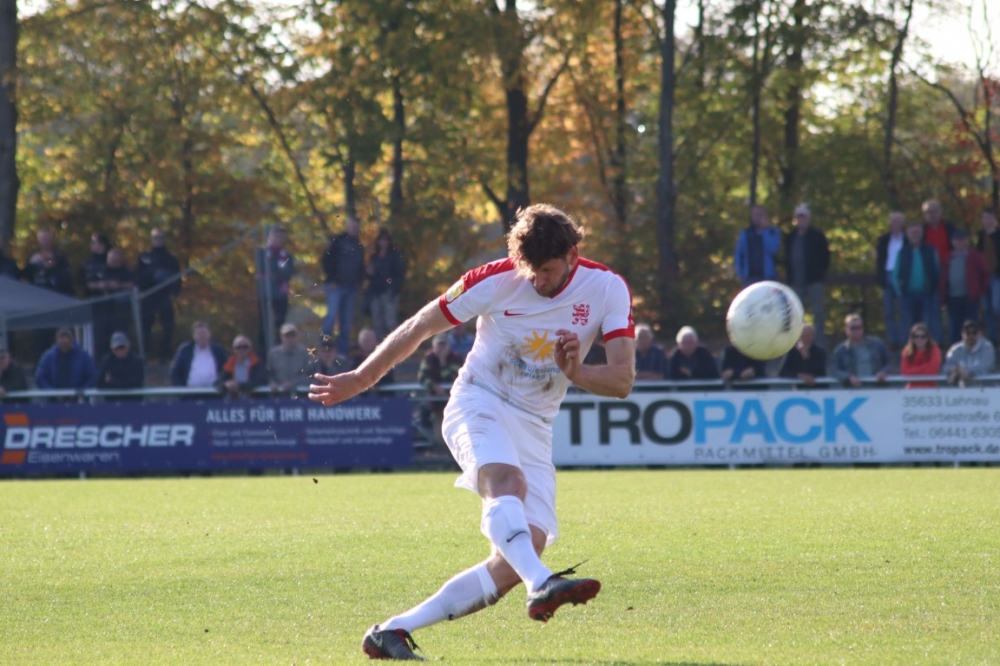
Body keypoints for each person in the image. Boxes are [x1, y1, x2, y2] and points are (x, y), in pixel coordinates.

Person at [308, 203, 635, 661]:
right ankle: (541, 582)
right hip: (480, 400)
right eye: (530, 270)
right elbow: (420, 326)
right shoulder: (495, 279)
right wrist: (362, 378)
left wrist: (577, 372)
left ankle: (392, 631)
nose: (537, 280)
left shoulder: (607, 287)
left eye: (547, 270)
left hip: (536, 425)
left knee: (520, 554)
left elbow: (621, 380)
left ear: (573, 256)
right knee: (508, 484)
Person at [23, 229, 75, 358]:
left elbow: (64, 275)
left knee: (57, 335)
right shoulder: (33, 258)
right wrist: (32, 264)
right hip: (39, 306)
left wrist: (49, 262)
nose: (45, 242)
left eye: (47, 238)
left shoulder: (60, 257)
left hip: (58, 305)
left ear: (51, 240)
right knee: (40, 338)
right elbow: (25, 276)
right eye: (42, 239)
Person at [783, 204, 830, 346]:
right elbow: (786, 258)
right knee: (795, 315)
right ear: (795, 219)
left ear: (808, 218)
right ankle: (796, 345)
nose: (801, 220)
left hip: (814, 281)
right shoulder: (790, 237)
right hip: (795, 282)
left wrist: (820, 273)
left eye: (804, 217)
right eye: (799, 217)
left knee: (818, 314)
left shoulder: (818, 236)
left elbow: (825, 258)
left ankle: (819, 345)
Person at [322, 216, 366, 357]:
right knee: (332, 315)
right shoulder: (337, 241)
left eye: (356, 226)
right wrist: (331, 279)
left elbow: (360, 266)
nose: (354, 229)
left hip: (351, 288)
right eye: (352, 226)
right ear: (347, 226)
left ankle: (342, 352)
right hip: (335, 286)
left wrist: (360, 282)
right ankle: (325, 345)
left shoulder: (359, 246)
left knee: (346, 321)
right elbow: (326, 260)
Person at [137, 228, 182, 363]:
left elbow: (177, 279)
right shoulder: (144, 257)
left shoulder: (171, 259)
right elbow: (137, 277)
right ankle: (144, 355)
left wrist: (173, 293)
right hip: (148, 297)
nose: (158, 240)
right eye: (156, 238)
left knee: (168, 326)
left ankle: (165, 355)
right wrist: (152, 276)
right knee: (145, 327)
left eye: (161, 237)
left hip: (164, 297)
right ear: (152, 240)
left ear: (165, 240)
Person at [892, 219, 942, 343]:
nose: (915, 235)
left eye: (917, 232)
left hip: (927, 293)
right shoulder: (902, 252)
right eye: (912, 233)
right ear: (908, 235)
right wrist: (899, 293)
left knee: (928, 323)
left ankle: (931, 347)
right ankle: (907, 348)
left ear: (921, 234)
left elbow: (937, 270)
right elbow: (895, 275)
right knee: (907, 324)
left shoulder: (930, 250)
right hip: (907, 294)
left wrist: (934, 287)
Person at [939, 230, 990, 346]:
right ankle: (955, 350)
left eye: (962, 240)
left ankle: (974, 348)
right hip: (952, 297)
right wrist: (942, 297)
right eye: (957, 240)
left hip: (970, 297)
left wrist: (980, 290)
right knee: (954, 326)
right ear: (952, 242)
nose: (960, 243)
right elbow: (942, 278)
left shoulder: (975, 256)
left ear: (967, 241)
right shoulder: (947, 258)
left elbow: (985, 274)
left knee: (972, 325)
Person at [417, 333, 464, 446]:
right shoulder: (428, 359)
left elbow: (454, 377)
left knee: (458, 434)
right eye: (439, 345)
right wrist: (434, 386)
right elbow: (422, 377)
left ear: (449, 346)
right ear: (434, 346)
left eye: (444, 345)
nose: (442, 348)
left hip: (456, 404)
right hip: (436, 405)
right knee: (439, 437)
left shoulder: (457, 358)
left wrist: (442, 362)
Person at [256, 225, 296, 352]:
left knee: (281, 324)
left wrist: (273, 274)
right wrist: (275, 273)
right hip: (265, 294)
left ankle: (280, 350)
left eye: (282, 236)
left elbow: (288, 273)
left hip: (281, 295)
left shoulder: (286, 256)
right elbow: (262, 269)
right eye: (277, 236)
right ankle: (263, 353)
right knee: (264, 325)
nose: (279, 239)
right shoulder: (262, 253)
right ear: (270, 237)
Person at [90, 247, 135, 351]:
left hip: (120, 310)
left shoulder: (127, 271)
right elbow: (89, 284)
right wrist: (101, 285)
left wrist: (118, 285)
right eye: (111, 259)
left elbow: (133, 284)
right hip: (102, 308)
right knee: (101, 334)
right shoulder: (101, 270)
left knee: (120, 333)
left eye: (116, 259)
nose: (114, 261)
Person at [365, 228, 406, 341]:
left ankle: (396, 345)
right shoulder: (374, 257)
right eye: (381, 240)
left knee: (390, 322)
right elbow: (370, 276)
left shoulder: (394, 256)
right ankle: (380, 347)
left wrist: (393, 290)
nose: (383, 242)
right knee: (378, 323)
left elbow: (400, 275)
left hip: (389, 294)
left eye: (385, 240)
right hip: (376, 293)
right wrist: (368, 273)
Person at [830, 314, 890, 387]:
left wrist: (883, 372)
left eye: (859, 327)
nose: (856, 330)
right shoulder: (840, 350)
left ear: (863, 328)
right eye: (853, 328)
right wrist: (848, 377)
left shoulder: (877, 344)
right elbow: (834, 370)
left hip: (878, 387)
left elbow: (888, 364)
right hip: (854, 390)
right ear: (846, 329)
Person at [876, 211, 907, 349]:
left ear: (903, 223)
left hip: (901, 277)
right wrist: (880, 277)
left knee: (903, 310)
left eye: (898, 221)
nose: (895, 224)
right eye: (893, 221)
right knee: (888, 311)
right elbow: (879, 260)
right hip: (887, 274)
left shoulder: (906, 240)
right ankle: (892, 341)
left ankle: (904, 340)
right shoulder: (883, 240)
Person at [169, 321, 229, 388]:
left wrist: (222, 385)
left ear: (209, 334)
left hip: (214, 392)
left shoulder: (218, 350)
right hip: (190, 392)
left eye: (204, 333)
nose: (202, 336)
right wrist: (181, 390)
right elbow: (174, 373)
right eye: (199, 334)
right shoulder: (185, 350)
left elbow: (227, 370)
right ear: (194, 336)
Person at [734, 204, 782, 286]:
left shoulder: (773, 232)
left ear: (765, 216)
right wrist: (740, 273)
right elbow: (738, 254)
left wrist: (766, 231)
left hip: (768, 277)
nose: (758, 218)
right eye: (755, 215)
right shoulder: (745, 234)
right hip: (749, 278)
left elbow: (773, 250)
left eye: (760, 215)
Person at [943, 320, 995, 387]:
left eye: (974, 333)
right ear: (962, 334)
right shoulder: (955, 350)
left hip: (986, 388)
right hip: (963, 390)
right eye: (968, 333)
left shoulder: (987, 348)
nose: (971, 336)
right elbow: (946, 368)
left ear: (979, 334)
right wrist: (957, 369)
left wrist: (964, 371)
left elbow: (983, 368)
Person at [976, 208, 1000, 343]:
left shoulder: (998, 235)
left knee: (997, 306)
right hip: (983, 277)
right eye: (985, 217)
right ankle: (993, 337)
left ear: (994, 219)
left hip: (997, 276)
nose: (987, 220)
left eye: (989, 217)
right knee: (986, 308)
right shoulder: (980, 236)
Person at [266, 322, 311, 393]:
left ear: (297, 337)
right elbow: (268, 373)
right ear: (281, 337)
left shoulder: (304, 353)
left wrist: (293, 383)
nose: (290, 339)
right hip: (277, 393)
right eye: (287, 336)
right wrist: (272, 383)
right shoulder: (273, 353)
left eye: (293, 336)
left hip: (300, 393)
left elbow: (307, 374)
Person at [350, 327, 394, 394]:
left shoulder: (382, 358)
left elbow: (389, 376)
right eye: (365, 340)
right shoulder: (355, 360)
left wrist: (377, 385)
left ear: (375, 341)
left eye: (369, 340)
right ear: (360, 342)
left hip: (383, 395)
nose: (367, 343)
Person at [899, 323, 941, 389]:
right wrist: (925, 368)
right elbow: (905, 373)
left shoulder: (935, 351)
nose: (919, 339)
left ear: (928, 338)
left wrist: (913, 371)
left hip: (930, 389)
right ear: (912, 338)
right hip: (911, 390)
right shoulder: (907, 351)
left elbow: (932, 371)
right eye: (916, 336)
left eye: (923, 336)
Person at [80, 233, 110, 299]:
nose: (91, 245)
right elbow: (81, 280)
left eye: (93, 243)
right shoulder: (87, 263)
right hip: (91, 297)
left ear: (102, 245)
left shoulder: (112, 260)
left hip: (111, 297)